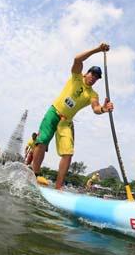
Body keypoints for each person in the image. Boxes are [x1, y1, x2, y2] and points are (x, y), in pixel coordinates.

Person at [31, 43, 113, 190]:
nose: (94, 78)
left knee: (68, 154)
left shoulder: (93, 94)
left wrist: (104, 109)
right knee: (42, 141)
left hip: (66, 122)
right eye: (92, 74)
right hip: (54, 112)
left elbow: (96, 108)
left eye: (97, 77)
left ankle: (58, 187)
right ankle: (35, 174)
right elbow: (77, 59)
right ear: (86, 73)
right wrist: (97, 50)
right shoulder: (76, 77)